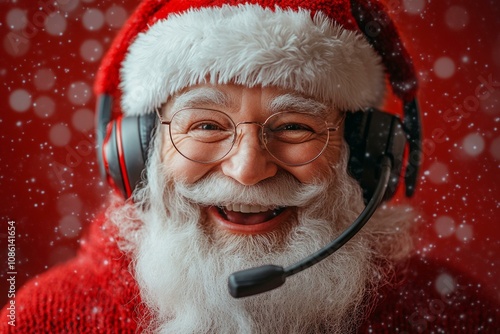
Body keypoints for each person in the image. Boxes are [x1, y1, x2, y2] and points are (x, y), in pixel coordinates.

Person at [1, 0, 498, 332]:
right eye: (206, 126)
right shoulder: (43, 320)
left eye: (295, 128)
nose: (247, 171)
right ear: (136, 153)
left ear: (368, 156)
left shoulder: (453, 315)